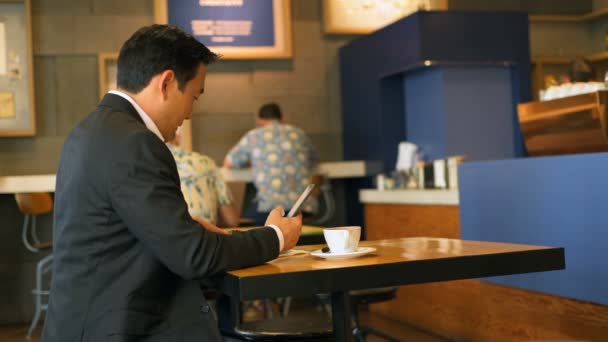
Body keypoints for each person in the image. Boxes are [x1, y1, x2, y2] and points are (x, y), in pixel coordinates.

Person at [42, 24, 302, 342]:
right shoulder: (134, 142)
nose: (190, 113)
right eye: (193, 96)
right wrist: (276, 237)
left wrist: (182, 224)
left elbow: (111, 225)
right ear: (166, 83)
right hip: (117, 326)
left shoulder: (92, 129)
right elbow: (194, 255)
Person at [223, 103, 318, 225]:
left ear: (260, 120)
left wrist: (254, 163)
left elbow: (229, 162)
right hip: (304, 206)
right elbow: (313, 160)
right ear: (282, 118)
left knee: (245, 222)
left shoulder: (254, 136)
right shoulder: (299, 133)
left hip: (270, 208)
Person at [167, 128, 239, 227]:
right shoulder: (205, 162)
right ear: (178, 138)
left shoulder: (149, 164)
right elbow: (231, 220)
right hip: (205, 236)